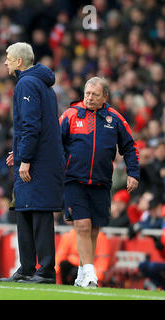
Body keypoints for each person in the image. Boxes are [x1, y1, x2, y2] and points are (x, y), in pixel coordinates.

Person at [59, 76, 140, 288]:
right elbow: (55, 143)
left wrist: (133, 173)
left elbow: (130, 146)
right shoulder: (70, 114)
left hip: (102, 182)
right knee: (82, 225)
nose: (90, 98)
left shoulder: (115, 119)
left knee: (94, 229)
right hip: (74, 180)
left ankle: (82, 273)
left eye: (95, 94)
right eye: (87, 93)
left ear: (105, 96)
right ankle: (91, 274)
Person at [0, 42, 63, 284]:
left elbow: (31, 125)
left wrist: (25, 158)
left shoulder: (27, 83)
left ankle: (45, 270)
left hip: (39, 162)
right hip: (38, 156)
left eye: (8, 57)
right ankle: (26, 268)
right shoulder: (39, 84)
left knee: (40, 212)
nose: (5, 62)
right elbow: (41, 125)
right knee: (25, 210)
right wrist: (19, 152)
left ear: (19, 62)